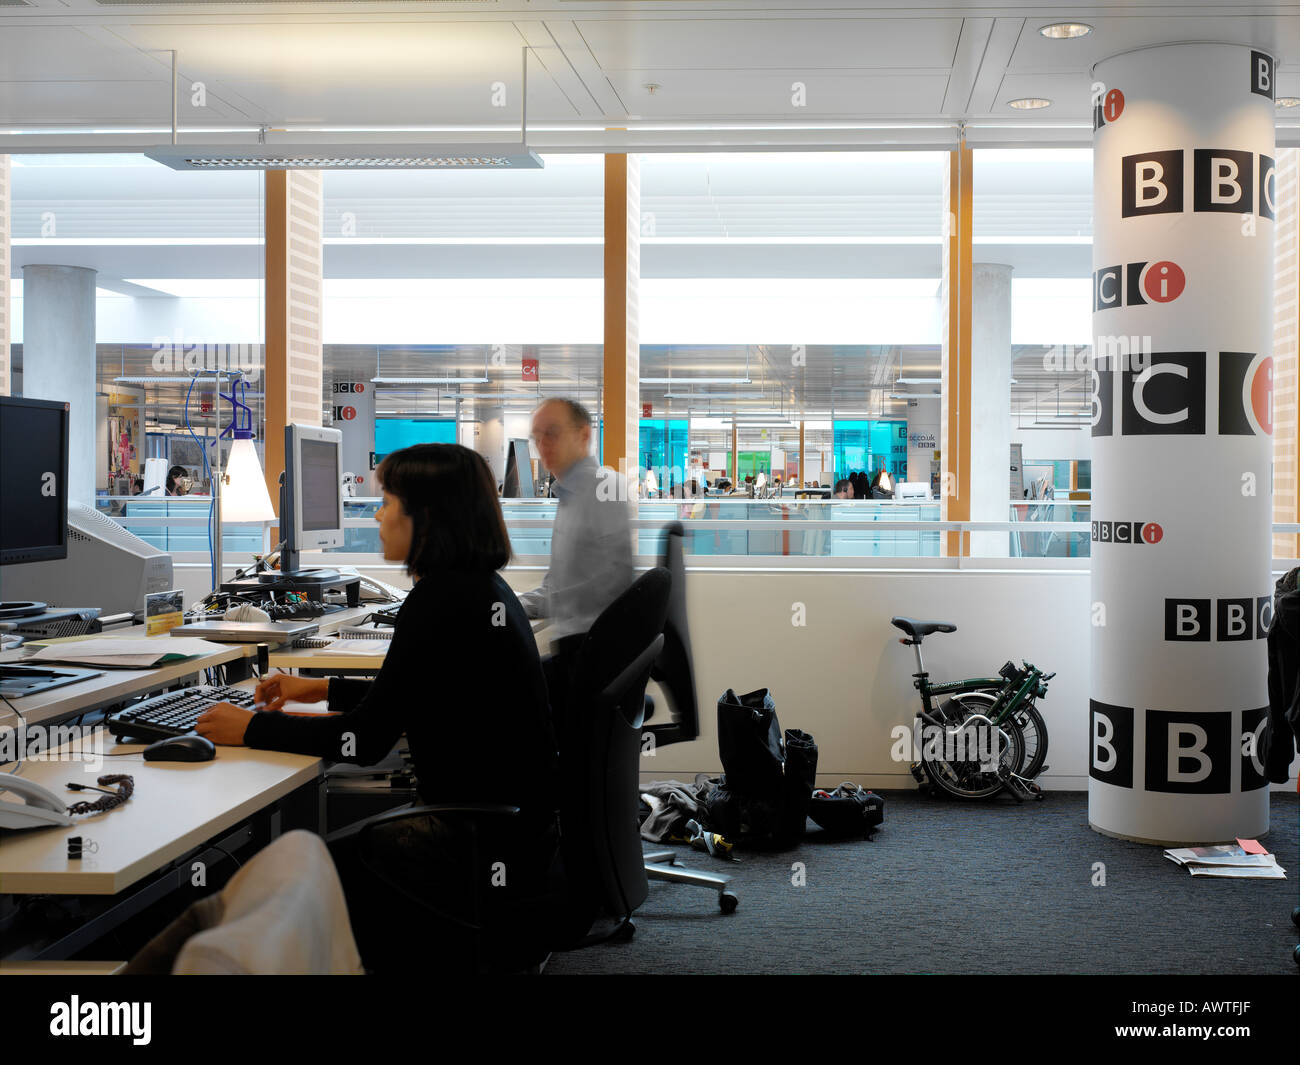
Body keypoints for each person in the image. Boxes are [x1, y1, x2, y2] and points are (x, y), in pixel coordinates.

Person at [196, 444, 560, 972]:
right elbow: (427, 696)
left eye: (388, 501)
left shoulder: (438, 602)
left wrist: (252, 728)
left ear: (427, 516)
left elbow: (366, 741)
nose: (378, 513)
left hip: (468, 840)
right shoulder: (478, 590)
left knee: (293, 878)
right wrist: (318, 690)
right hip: (513, 834)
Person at [519, 398, 634, 699]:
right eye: (537, 437)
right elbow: (555, 588)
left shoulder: (604, 489)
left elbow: (613, 581)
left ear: (583, 436)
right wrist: (508, 605)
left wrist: (509, 609)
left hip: (592, 656)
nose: (543, 444)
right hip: (579, 650)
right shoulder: (572, 494)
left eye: (552, 433)